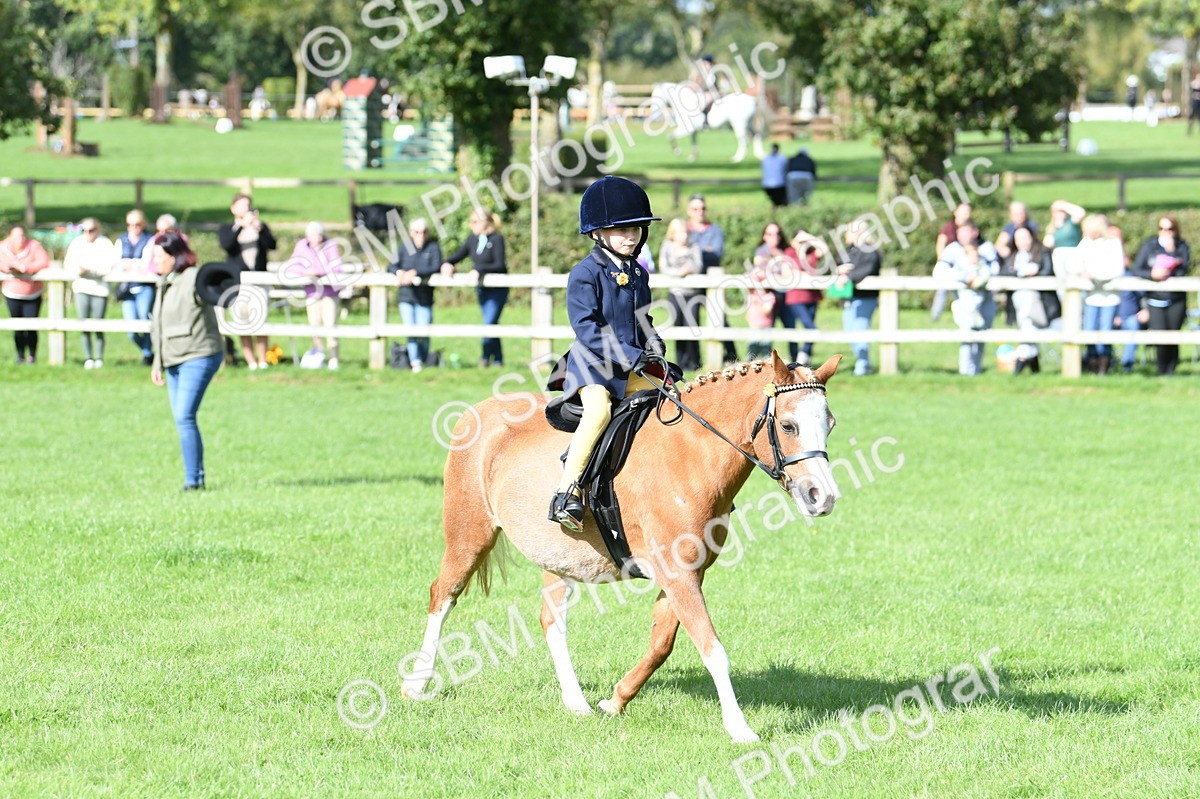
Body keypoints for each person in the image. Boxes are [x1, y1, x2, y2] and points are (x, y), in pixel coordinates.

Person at [548, 176, 665, 532]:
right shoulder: (584, 273)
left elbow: (642, 319)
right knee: (599, 411)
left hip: (632, 363)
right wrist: (633, 355)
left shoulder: (638, 274)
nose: (630, 236)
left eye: (636, 229)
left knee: (672, 401)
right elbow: (587, 328)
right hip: (593, 366)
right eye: (620, 230)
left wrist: (654, 344)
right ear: (598, 233)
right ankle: (566, 491)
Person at [149, 231, 224, 492]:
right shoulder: (163, 282)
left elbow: (220, 288)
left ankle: (194, 481)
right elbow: (157, 325)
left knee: (184, 416)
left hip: (199, 354)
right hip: (171, 359)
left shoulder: (194, 278)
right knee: (182, 418)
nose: (155, 260)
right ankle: (195, 478)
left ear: (174, 256)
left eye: (159, 256)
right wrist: (157, 362)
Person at [218, 192, 277, 370]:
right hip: (239, 281)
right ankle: (250, 361)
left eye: (248, 205)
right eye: (242, 205)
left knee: (260, 319)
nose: (246, 209)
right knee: (242, 320)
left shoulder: (259, 227)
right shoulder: (228, 228)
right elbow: (227, 245)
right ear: (233, 208)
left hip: (259, 279)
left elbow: (272, 245)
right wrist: (240, 227)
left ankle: (262, 359)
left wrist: (259, 228)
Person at [442, 208, 508, 367]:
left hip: (497, 290)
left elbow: (499, 265)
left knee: (488, 323)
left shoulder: (497, 239)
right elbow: (458, 255)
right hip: (482, 290)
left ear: (484, 223)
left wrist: (479, 269)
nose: (471, 225)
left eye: (474, 222)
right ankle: (498, 360)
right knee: (491, 324)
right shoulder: (473, 239)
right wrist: (447, 263)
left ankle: (485, 357)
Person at [936, 220, 1000, 376]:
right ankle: (965, 370)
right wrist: (964, 276)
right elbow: (940, 271)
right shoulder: (952, 250)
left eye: (966, 232)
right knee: (967, 334)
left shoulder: (986, 248)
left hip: (985, 300)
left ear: (975, 232)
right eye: (960, 232)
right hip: (964, 301)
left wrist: (981, 278)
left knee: (982, 334)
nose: (962, 236)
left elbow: (995, 269)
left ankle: (976, 369)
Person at [1132, 216, 1191, 375]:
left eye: (1170, 229)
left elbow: (1183, 270)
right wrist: (1152, 275)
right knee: (1160, 335)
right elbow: (1137, 269)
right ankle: (1161, 370)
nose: (1166, 232)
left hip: (1176, 299)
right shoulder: (1149, 246)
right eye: (1162, 228)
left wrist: (1170, 252)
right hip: (1155, 298)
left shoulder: (1182, 246)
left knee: (1173, 335)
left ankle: (1171, 370)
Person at [391, 218, 450, 373]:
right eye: (417, 232)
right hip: (406, 296)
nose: (421, 235)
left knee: (424, 331)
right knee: (410, 330)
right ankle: (415, 362)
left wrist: (415, 273)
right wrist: (400, 272)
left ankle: (424, 358)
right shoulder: (404, 247)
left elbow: (435, 266)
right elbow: (391, 265)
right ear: (411, 233)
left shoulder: (433, 247)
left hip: (424, 298)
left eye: (424, 232)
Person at [1071, 214, 1126, 374]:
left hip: (1110, 297)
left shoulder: (1113, 244)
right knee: (1089, 330)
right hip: (1091, 296)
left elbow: (1116, 269)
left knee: (1105, 331)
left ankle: (1104, 367)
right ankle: (1092, 363)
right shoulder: (1086, 244)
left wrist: (1094, 273)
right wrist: (1082, 271)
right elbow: (1073, 264)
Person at [1000, 226, 1058, 374]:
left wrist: (1035, 273)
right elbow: (1004, 273)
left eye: (1026, 237)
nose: (1023, 242)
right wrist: (1020, 272)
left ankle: (1020, 364)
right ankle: (1034, 369)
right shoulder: (1013, 256)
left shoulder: (1042, 253)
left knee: (1028, 328)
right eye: (1019, 238)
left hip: (1040, 303)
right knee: (1028, 329)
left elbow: (1048, 272)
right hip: (1019, 303)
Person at [286, 221, 343, 370]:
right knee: (314, 326)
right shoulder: (302, 246)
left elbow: (336, 267)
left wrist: (318, 271)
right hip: (312, 292)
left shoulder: (330, 246)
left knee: (330, 325)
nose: (315, 238)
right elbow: (293, 265)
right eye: (311, 234)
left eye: (317, 234)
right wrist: (305, 272)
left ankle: (333, 358)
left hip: (329, 292)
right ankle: (319, 356)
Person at [685, 194, 736, 362]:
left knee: (719, 318)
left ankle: (731, 355)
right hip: (692, 280)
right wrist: (702, 251)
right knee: (691, 319)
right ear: (689, 211)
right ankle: (693, 360)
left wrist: (694, 251)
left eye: (702, 208)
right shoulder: (684, 229)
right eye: (695, 208)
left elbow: (716, 254)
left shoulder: (715, 230)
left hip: (711, 279)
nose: (700, 212)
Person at [65, 218, 116, 369]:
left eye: (91, 230)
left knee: (98, 324)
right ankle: (88, 357)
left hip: (99, 289)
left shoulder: (105, 244)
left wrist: (92, 271)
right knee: (84, 323)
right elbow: (69, 264)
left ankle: (99, 357)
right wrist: (79, 271)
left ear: (97, 230)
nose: (88, 233)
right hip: (81, 287)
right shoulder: (77, 244)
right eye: (84, 230)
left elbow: (109, 265)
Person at [658, 217, 704, 371]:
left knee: (692, 326)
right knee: (678, 325)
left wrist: (687, 264)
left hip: (692, 293)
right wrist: (680, 272)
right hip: (675, 292)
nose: (684, 236)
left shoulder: (694, 246)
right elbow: (664, 267)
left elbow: (697, 266)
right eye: (680, 233)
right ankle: (681, 361)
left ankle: (695, 361)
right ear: (673, 233)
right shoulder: (667, 246)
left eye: (686, 232)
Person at [836, 224, 883, 376]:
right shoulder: (851, 250)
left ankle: (863, 365)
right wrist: (839, 270)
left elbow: (865, 270)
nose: (846, 235)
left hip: (865, 299)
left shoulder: (870, 251)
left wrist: (848, 276)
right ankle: (864, 362)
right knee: (850, 331)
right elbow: (837, 264)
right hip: (850, 298)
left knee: (860, 331)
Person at [0, 224, 50, 364]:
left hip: (32, 294)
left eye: (22, 235)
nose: (20, 239)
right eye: (16, 236)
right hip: (12, 293)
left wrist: (26, 269)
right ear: (10, 236)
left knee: (31, 326)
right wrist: (6, 269)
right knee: (17, 327)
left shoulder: (34, 246)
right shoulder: (3, 247)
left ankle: (32, 356)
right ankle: (20, 356)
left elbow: (44, 262)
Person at [780, 228, 825, 366]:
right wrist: (805, 275)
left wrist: (810, 237)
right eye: (799, 241)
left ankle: (804, 359)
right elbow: (786, 272)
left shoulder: (811, 253)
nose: (802, 243)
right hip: (795, 297)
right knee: (811, 328)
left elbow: (824, 249)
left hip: (812, 297)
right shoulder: (789, 253)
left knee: (809, 330)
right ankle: (801, 357)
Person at [117, 210, 156, 365]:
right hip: (127, 289)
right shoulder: (122, 240)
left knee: (145, 320)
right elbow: (116, 263)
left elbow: (147, 264)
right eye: (130, 224)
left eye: (137, 224)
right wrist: (134, 265)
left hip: (144, 287)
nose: (134, 227)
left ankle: (147, 356)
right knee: (131, 329)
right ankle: (148, 353)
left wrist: (129, 264)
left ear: (143, 224)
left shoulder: (150, 240)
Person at [933, 202, 974, 320]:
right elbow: (941, 243)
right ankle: (935, 316)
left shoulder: (972, 227)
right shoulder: (949, 226)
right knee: (942, 291)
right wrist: (941, 262)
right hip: (950, 265)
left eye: (967, 212)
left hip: (965, 267)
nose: (965, 214)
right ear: (955, 212)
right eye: (962, 211)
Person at [1113, 279, 1147, 374]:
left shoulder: (1133, 275)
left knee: (1133, 325)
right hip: (1113, 316)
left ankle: (1127, 365)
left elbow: (1144, 295)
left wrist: (1145, 309)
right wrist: (1115, 315)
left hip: (1132, 316)